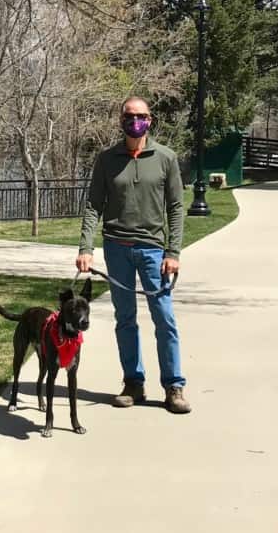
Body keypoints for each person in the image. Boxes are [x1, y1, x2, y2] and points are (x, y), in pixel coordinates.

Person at [76, 96, 191, 414]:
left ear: (150, 120)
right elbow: (93, 205)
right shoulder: (106, 159)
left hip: (154, 250)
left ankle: (174, 386)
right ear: (120, 119)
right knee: (124, 320)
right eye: (129, 116)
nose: (134, 121)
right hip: (116, 248)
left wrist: (173, 251)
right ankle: (133, 382)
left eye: (140, 116)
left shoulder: (166, 158)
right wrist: (86, 247)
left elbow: (176, 207)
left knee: (164, 318)